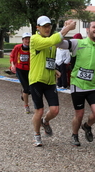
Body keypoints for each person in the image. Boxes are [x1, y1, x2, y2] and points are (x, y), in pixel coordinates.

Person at [57, 21, 95, 147]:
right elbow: (59, 43)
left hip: (93, 86)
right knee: (79, 114)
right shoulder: (78, 43)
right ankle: (74, 135)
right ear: (88, 30)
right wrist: (66, 28)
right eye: (94, 27)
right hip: (78, 84)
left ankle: (87, 126)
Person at [29, 15, 76, 147]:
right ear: (38, 27)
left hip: (50, 81)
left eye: (49, 26)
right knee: (39, 110)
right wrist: (66, 28)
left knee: (55, 110)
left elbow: (48, 57)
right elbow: (53, 40)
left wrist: (54, 69)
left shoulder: (51, 41)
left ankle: (45, 122)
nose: (47, 28)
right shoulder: (34, 39)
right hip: (37, 80)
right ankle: (36, 135)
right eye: (44, 26)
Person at [10, 32, 32, 114]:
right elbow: (12, 56)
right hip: (20, 69)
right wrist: (12, 65)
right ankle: (26, 106)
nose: (27, 40)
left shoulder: (32, 48)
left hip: (29, 70)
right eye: (26, 39)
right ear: (23, 40)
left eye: (29, 39)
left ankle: (23, 93)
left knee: (31, 89)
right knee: (26, 89)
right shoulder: (17, 47)